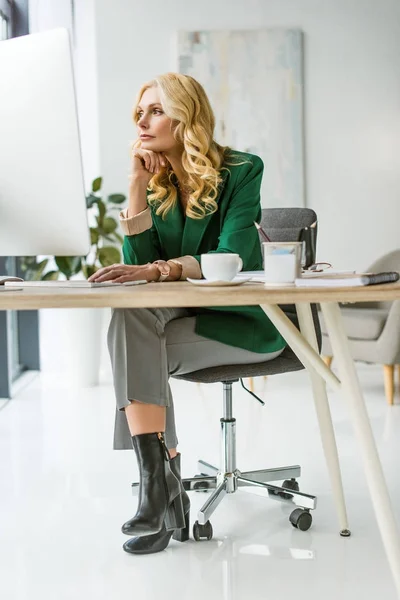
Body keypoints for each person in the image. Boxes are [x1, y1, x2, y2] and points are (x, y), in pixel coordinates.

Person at [88, 72, 286, 555]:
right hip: (173, 317)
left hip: (240, 320)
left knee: (136, 347)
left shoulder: (242, 169)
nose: (143, 120)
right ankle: (160, 485)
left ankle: (163, 489)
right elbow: (138, 277)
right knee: (129, 320)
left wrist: (160, 270)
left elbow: (231, 255)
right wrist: (136, 184)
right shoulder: (156, 181)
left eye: (155, 110)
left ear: (186, 114)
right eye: (139, 112)